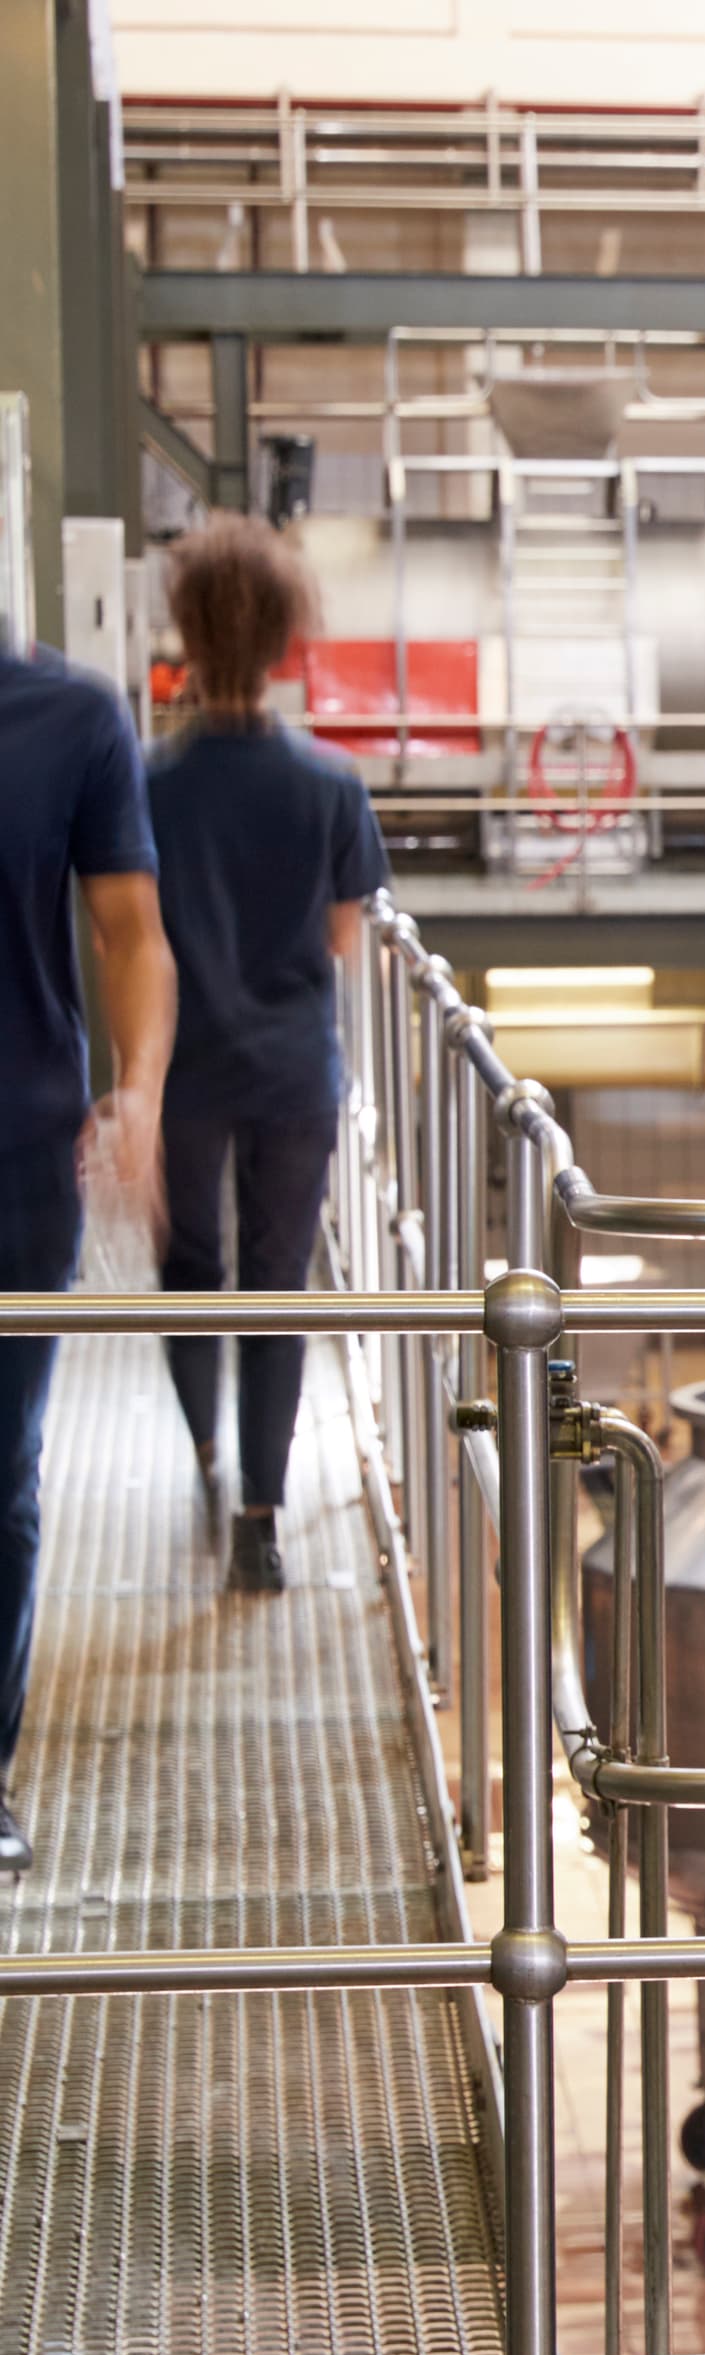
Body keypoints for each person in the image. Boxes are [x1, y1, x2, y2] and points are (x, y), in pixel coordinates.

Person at [146, 513, 386, 1593]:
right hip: (295, 1069)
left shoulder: (143, 779)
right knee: (279, 1284)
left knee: (192, 1268)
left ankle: (202, 1443)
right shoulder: (331, 783)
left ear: (184, 637)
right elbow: (344, 936)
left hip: (182, 1068)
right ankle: (261, 1515)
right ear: (287, 638)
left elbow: (123, 934)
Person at [0, 634, 175, 1879]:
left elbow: (128, 928)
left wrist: (141, 1092)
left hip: (13, 1152)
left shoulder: (67, 716)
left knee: (1, 1471)